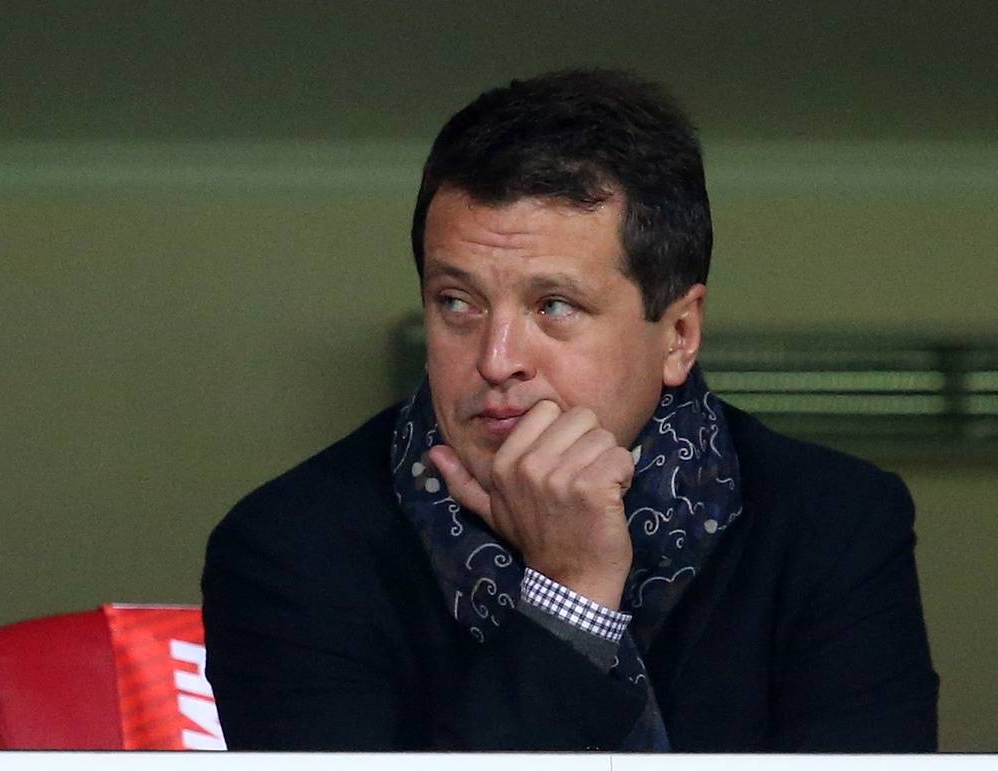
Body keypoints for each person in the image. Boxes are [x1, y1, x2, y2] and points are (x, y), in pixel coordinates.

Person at [200, 69, 938, 751]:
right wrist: (568, 594)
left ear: (679, 335)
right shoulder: (291, 546)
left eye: (553, 305)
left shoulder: (834, 523)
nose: (496, 359)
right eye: (456, 302)